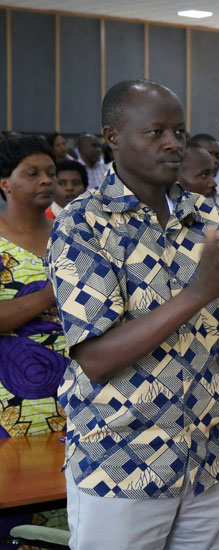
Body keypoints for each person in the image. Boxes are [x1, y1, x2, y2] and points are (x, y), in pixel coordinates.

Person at [47, 79, 219, 550]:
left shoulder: (210, 218)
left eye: (179, 132)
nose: (172, 144)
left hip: (209, 456)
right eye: (155, 132)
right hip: (122, 461)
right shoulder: (82, 223)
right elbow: (95, 358)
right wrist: (196, 294)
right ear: (112, 137)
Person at [0, 136, 69, 540]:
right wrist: (48, 294)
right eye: (32, 173)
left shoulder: (68, 235)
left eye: (51, 173)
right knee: (17, 505)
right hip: (10, 401)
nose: (46, 181)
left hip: (75, 390)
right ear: (4, 183)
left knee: (66, 503)